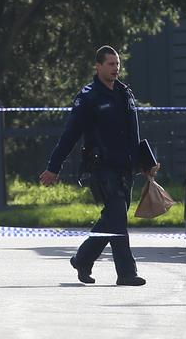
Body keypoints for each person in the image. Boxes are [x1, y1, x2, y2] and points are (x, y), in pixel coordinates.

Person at [39, 45, 154, 286]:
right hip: (101, 168)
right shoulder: (89, 97)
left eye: (118, 64)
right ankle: (126, 273)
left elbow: (133, 133)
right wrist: (53, 167)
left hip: (125, 167)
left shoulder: (125, 93)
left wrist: (144, 162)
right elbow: (69, 135)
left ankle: (83, 259)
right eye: (111, 64)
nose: (116, 68)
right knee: (118, 219)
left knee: (111, 219)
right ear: (98, 66)